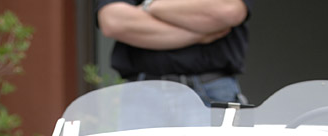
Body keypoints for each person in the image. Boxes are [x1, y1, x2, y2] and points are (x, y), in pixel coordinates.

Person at [96, 0, 252, 106]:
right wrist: (201, 33)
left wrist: (150, 6)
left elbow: (228, 10)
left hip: (212, 89)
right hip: (143, 93)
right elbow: (113, 21)